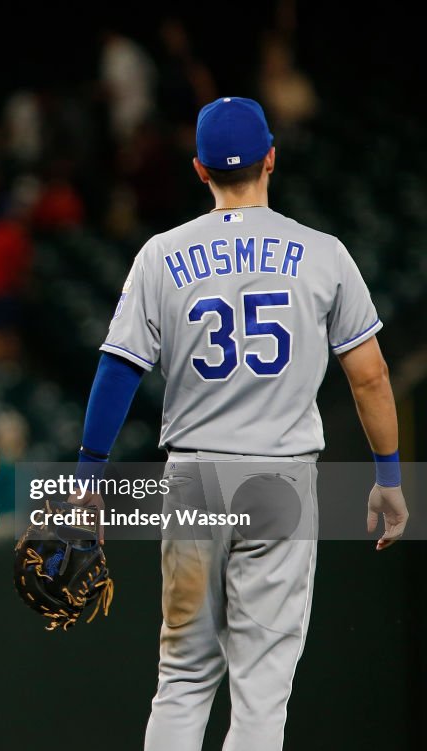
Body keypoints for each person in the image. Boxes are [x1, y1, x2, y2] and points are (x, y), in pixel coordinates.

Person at [72, 96, 408, 750]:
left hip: (195, 482)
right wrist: (388, 476)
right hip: (279, 482)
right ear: (271, 158)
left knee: (184, 676)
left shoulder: (161, 254)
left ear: (199, 168)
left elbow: (118, 369)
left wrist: (87, 479)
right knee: (261, 685)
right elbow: (369, 375)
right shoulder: (323, 253)